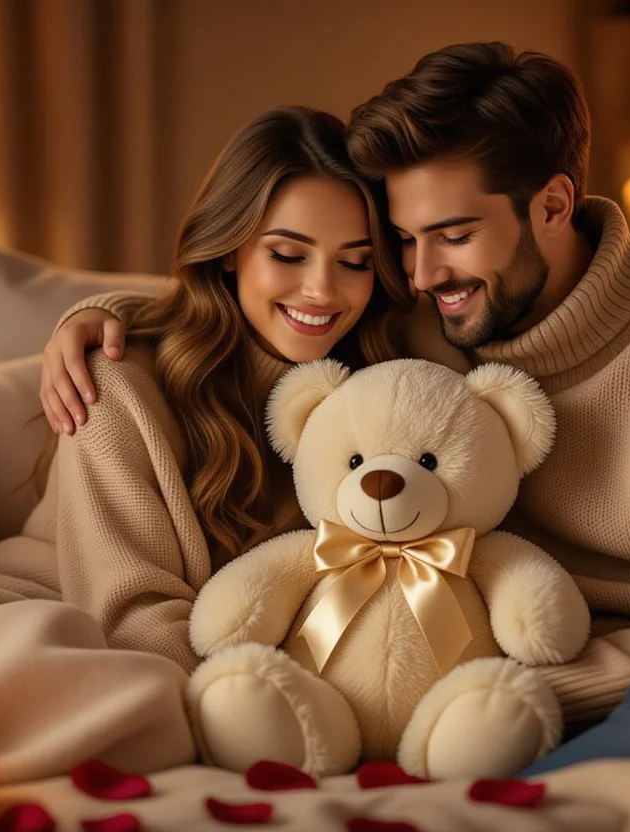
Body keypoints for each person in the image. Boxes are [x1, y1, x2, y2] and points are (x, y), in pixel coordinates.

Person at [41, 44, 630, 782]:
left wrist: (503, 700)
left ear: (554, 205)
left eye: (453, 235)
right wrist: (105, 321)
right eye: (401, 241)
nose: (422, 274)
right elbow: (249, 317)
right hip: (436, 699)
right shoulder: (426, 325)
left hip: (619, 693)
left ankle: (486, 804)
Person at [27, 105, 411, 674]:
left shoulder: (380, 388)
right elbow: (129, 624)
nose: (322, 290)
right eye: (287, 255)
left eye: (355, 262)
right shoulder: (111, 386)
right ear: (229, 247)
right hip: (62, 623)